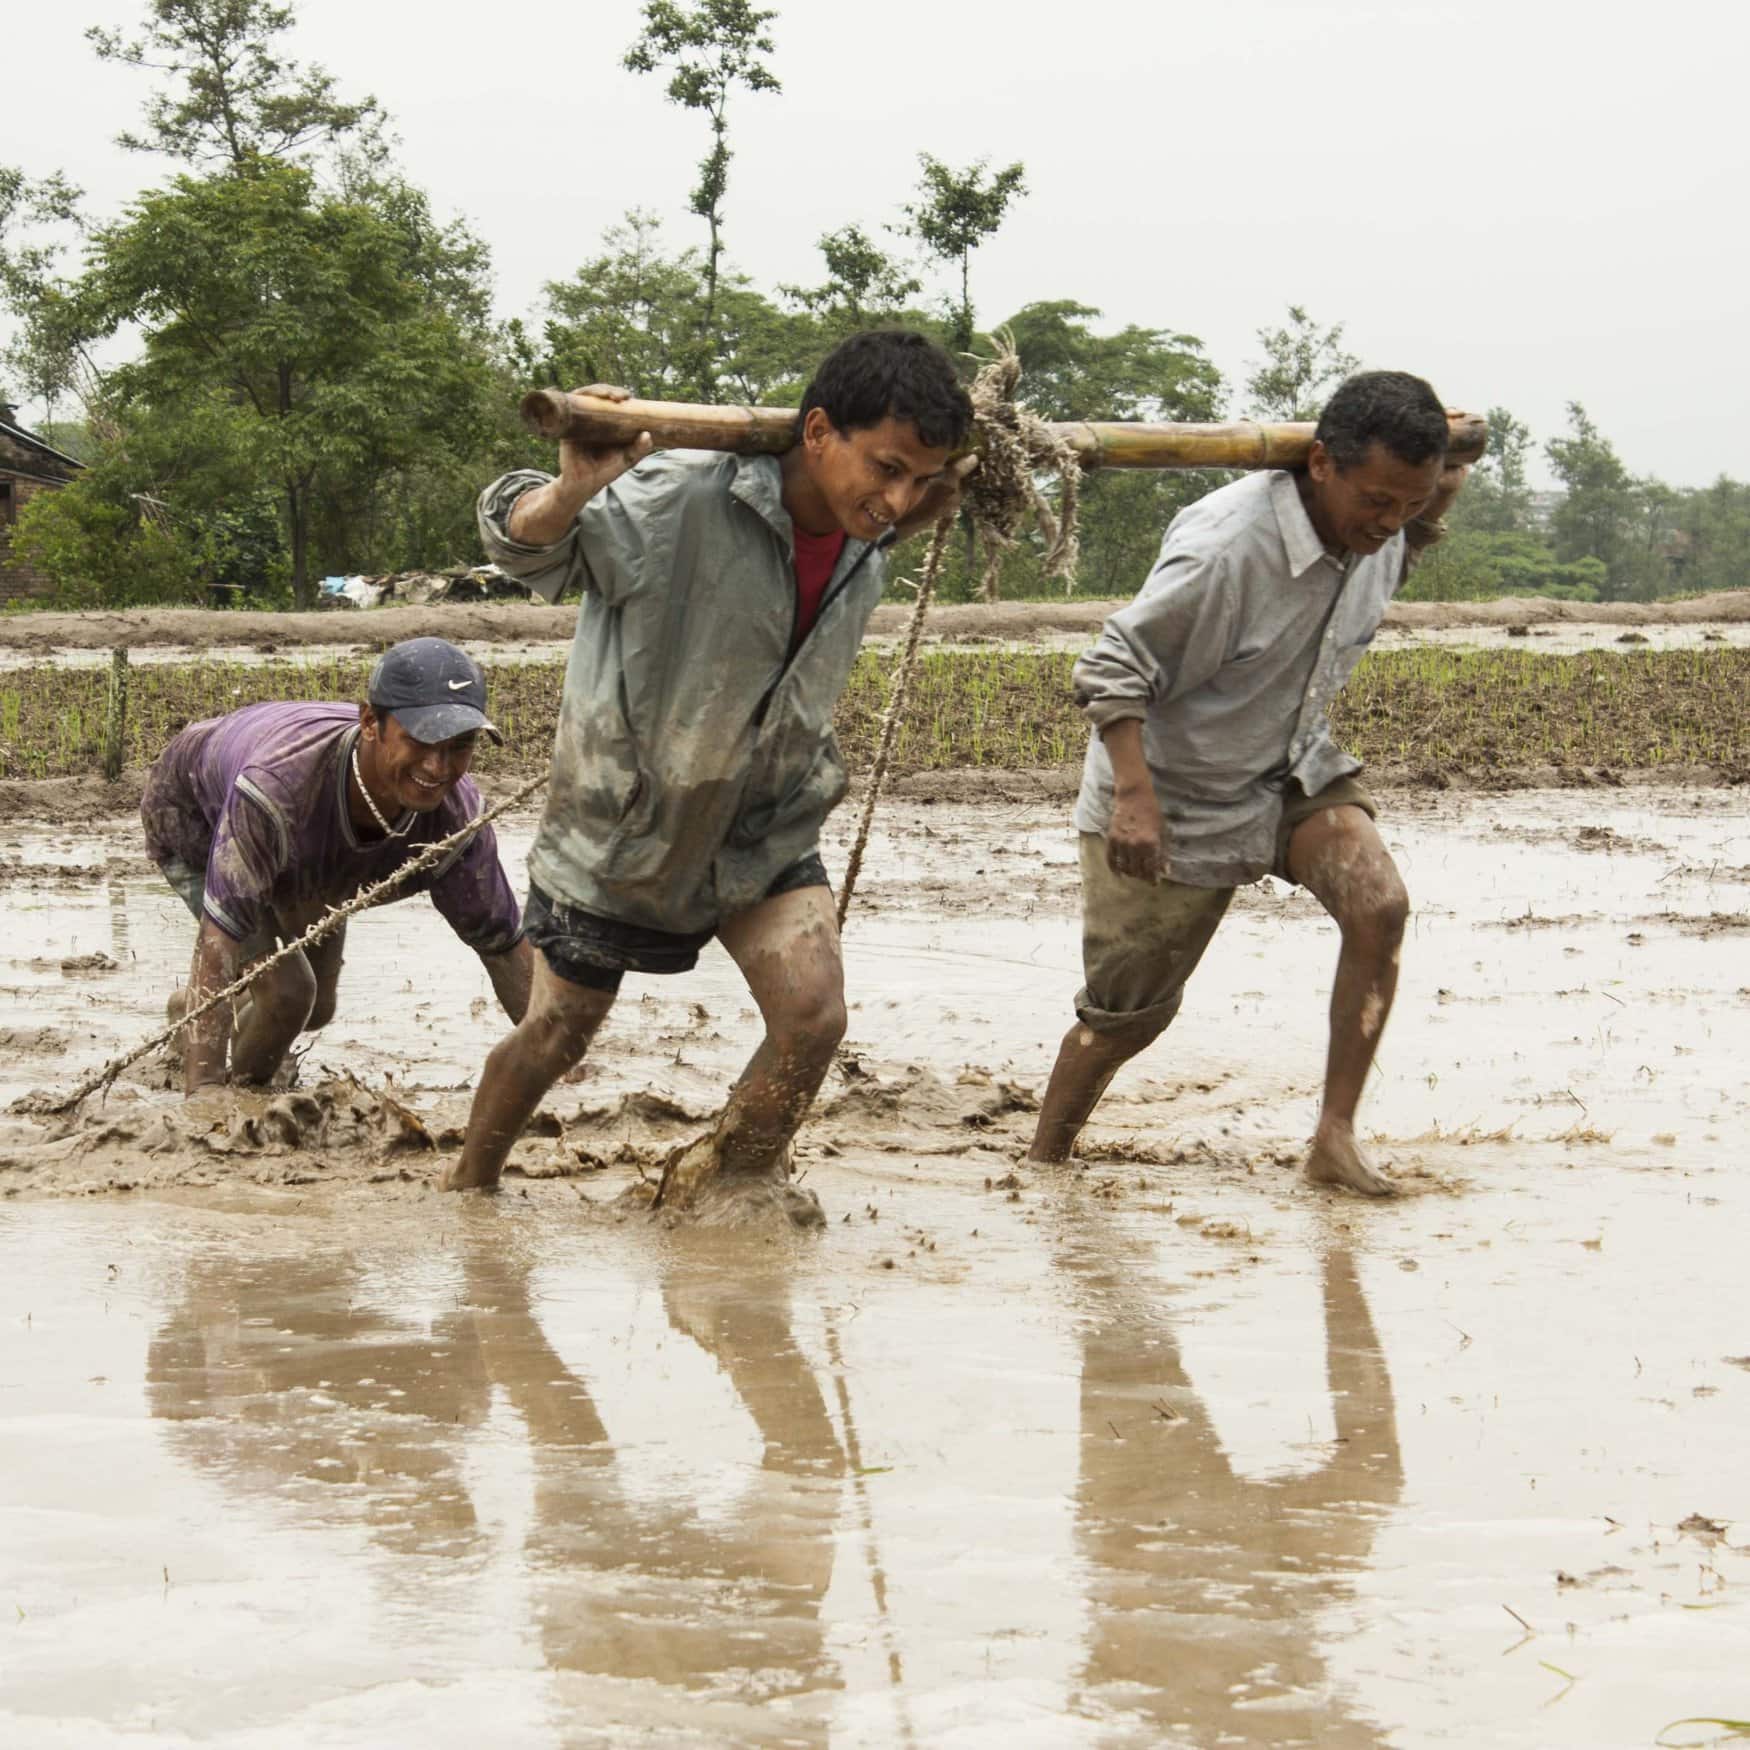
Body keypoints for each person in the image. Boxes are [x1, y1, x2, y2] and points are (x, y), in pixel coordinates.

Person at [448, 329, 976, 1210]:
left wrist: (938, 480)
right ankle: (470, 1189)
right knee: (556, 1032)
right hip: (631, 826)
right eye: (885, 468)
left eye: (920, 480)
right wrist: (575, 485)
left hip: (765, 821)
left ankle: (730, 1188)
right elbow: (525, 546)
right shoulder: (678, 497)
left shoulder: (869, 525)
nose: (899, 498)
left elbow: (917, 493)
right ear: (816, 434)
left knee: (813, 1016)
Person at [1028, 370, 1469, 1195]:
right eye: (1376, 499)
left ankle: (1333, 1141)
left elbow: (1412, 519)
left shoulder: (1389, 526)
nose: (1388, 523)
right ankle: (1044, 1162)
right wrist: (1134, 797)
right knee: (1127, 1017)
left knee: (1379, 906)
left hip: (1290, 765)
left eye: (1407, 505)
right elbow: (1113, 667)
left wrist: (1424, 500)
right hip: (1175, 790)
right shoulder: (1228, 547)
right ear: (1322, 465)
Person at [141, 636, 532, 1096]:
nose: (438, 766)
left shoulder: (456, 822)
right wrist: (204, 1097)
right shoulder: (275, 793)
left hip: (314, 847)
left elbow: (504, 947)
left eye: (459, 746)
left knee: (319, 1006)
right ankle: (250, 1097)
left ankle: (190, 1009)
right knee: (289, 995)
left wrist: (563, 1065)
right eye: (422, 740)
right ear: (370, 722)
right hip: (195, 813)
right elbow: (218, 942)